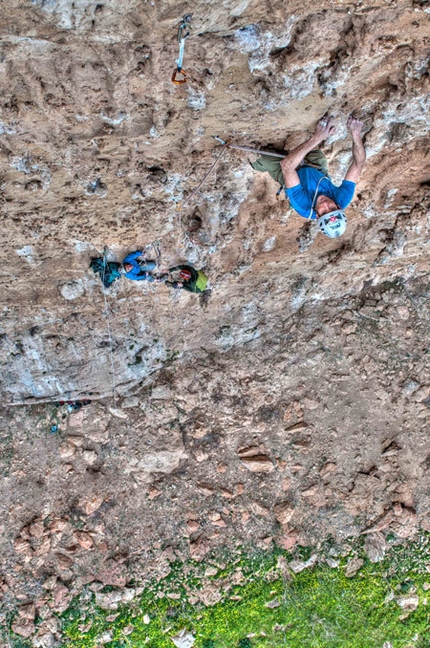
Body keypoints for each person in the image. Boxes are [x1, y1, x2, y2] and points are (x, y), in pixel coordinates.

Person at [251, 115, 366, 238]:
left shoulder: (303, 206)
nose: (325, 205)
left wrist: (317, 138)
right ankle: (300, 152)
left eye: (324, 211)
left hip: (290, 174)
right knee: (314, 153)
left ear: (317, 216)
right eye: (332, 208)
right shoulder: (343, 198)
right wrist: (356, 134)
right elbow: (358, 164)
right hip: (316, 169)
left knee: (257, 156)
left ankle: (259, 164)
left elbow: (287, 167)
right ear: (338, 206)